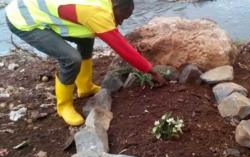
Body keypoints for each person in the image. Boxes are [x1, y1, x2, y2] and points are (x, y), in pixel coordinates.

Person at [5, 0, 165, 126]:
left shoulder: (103, 4)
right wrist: (151, 70)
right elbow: (123, 48)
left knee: (87, 39)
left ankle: (84, 87)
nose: (121, 22)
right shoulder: (96, 12)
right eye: (122, 16)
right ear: (115, 5)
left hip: (40, 11)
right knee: (70, 59)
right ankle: (64, 106)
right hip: (24, 19)